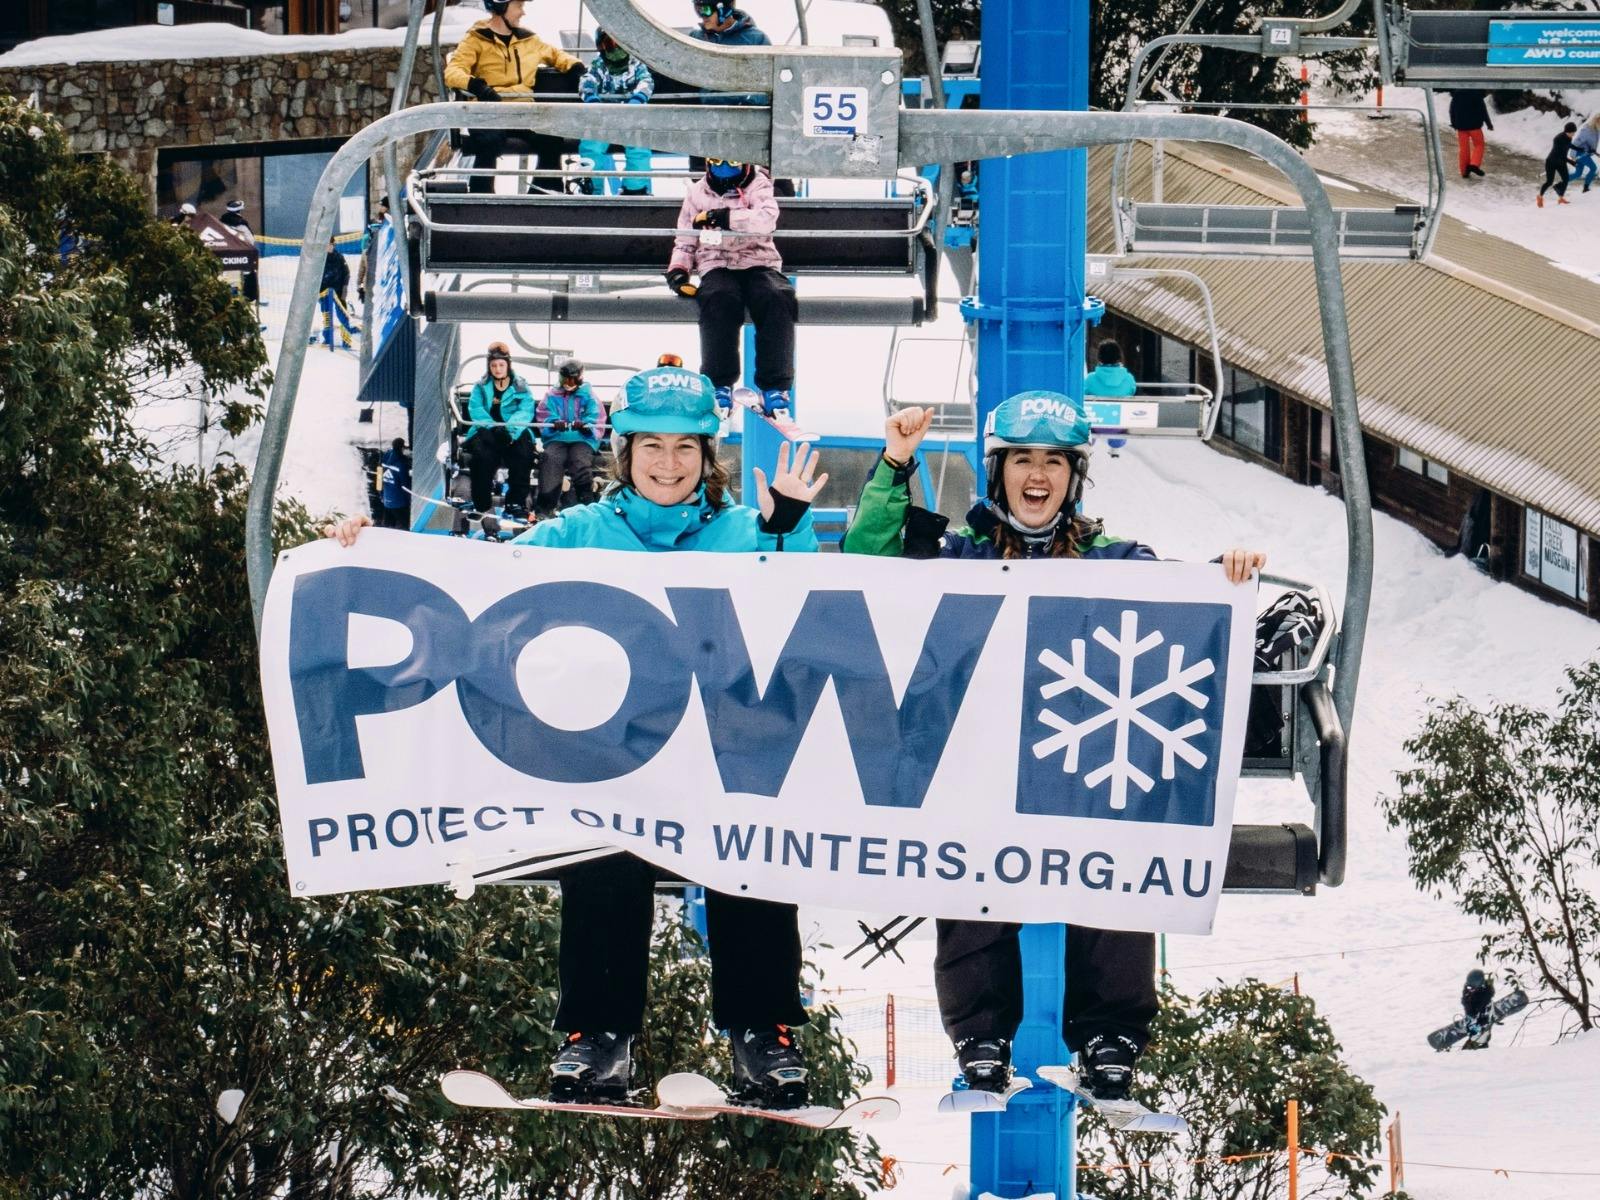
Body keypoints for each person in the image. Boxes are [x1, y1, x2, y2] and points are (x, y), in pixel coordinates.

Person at [324, 365, 831, 1109]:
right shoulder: (579, 532)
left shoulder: (747, 530)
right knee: (602, 848)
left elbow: (807, 610)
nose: (668, 463)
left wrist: (788, 529)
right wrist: (378, 553)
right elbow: (484, 580)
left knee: (748, 846)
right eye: (651, 447)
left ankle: (763, 1035)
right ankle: (597, 1038)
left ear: (706, 456)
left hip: (720, 751)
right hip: (619, 755)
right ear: (625, 455)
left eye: (684, 448)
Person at [841, 391, 1266, 1102]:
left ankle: (1111, 1037)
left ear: (1075, 477)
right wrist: (894, 465)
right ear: (999, 470)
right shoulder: (959, 554)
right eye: (1022, 462)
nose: (1036, 478)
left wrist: (1225, 579)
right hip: (980, 765)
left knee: (1115, 855)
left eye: (1053, 463)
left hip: (1077, 764)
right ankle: (981, 1038)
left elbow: (1176, 616)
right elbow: (868, 566)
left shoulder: (1117, 560)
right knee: (969, 865)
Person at [667, 159, 797, 418]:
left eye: (732, 161)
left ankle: (774, 386)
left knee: (776, 297)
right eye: (717, 161)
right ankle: (719, 383)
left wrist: (727, 218)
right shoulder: (697, 193)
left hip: (758, 258)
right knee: (718, 298)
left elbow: (766, 219)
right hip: (716, 261)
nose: (724, 167)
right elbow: (685, 238)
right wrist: (679, 270)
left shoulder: (759, 183)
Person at [443, 0, 584, 195]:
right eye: (518, 6)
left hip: (522, 110)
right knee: (489, 141)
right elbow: (453, 72)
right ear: (501, 7)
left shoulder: (528, 40)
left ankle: (545, 191)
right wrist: (476, 86)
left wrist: (575, 67)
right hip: (489, 110)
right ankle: (481, 194)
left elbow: (556, 55)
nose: (522, 12)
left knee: (550, 137)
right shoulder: (476, 40)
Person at [462, 341, 537, 515]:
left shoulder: (520, 386)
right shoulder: (481, 386)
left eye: (501, 365)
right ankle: (481, 502)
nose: (497, 369)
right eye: (494, 365)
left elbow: (525, 410)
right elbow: (476, 408)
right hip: (487, 431)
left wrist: (510, 431)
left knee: (523, 455)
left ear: (508, 365)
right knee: (482, 456)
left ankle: (516, 502)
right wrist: (491, 427)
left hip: (514, 431)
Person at [577, 29, 654, 196]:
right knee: (591, 147)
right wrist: (591, 99)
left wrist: (637, 99)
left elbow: (646, 82)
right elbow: (587, 81)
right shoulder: (599, 66)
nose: (615, 51)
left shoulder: (636, 65)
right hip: (603, 120)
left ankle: (635, 188)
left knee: (639, 147)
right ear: (601, 48)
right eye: (609, 45)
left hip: (630, 120)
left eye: (620, 45)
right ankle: (591, 187)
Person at [534, 358, 606, 516]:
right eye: (565, 379)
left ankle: (586, 500)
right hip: (558, 438)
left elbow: (596, 415)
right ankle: (545, 507)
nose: (568, 383)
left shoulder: (588, 396)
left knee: (579, 458)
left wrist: (587, 427)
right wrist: (553, 422)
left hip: (581, 438)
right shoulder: (552, 396)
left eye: (572, 379)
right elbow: (543, 413)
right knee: (550, 458)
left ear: (579, 378)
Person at [1085, 341, 1138, 458]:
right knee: (1121, 417)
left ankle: (1088, 446)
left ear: (1099, 357)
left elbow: (1083, 394)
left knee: (1087, 422)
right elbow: (1132, 391)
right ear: (1119, 357)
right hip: (1118, 424)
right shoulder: (1129, 379)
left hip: (1096, 423)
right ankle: (1115, 446)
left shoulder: (1090, 379)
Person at [1447, 89, 1493, 179]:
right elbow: (1483, 110)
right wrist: (1488, 123)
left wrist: (1454, 123)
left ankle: (1464, 171)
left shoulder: (1457, 94)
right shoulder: (1476, 93)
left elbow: (1451, 110)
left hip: (1461, 126)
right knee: (1479, 145)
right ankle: (1474, 165)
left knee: (1464, 148)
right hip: (1475, 126)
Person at [220, 198, 259, 303]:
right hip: (241, 254)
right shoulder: (241, 224)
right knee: (247, 274)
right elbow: (250, 240)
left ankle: (231, 296)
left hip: (225, 253)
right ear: (239, 210)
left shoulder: (221, 221)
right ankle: (248, 297)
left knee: (230, 276)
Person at [357, 194, 390, 306]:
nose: (380, 209)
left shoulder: (388, 229)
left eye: (382, 206)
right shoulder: (368, 240)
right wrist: (360, 285)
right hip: (370, 288)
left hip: (382, 288)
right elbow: (362, 266)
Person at [1537, 122, 1576, 207]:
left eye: (1574, 132)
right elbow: (1561, 155)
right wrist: (1572, 162)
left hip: (1561, 162)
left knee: (1566, 179)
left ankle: (1561, 198)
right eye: (1572, 132)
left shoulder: (1569, 138)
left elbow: (1569, 145)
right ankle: (1540, 197)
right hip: (1552, 162)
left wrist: (1579, 148)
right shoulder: (1558, 139)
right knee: (1549, 182)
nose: (1573, 134)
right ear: (1567, 132)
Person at [376, 438, 410, 529]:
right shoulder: (401, 464)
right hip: (399, 503)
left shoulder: (384, 458)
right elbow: (405, 486)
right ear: (402, 448)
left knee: (387, 526)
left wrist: (381, 495)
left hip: (386, 501)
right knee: (407, 525)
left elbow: (379, 479)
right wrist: (410, 499)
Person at [1460, 968, 1495, 1049]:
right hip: (1473, 1014)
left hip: (1481, 1021)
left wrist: (1480, 1021)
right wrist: (1469, 1013)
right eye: (1469, 987)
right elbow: (1465, 1001)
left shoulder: (1485, 995)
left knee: (1479, 1036)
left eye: (1473, 987)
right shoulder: (1467, 990)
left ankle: (1479, 1045)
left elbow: (1482, 1008)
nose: (1470, 989)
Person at [1570, 113, 1599, 194]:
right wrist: (1573, 154)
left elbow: (1590, 143)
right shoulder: (1587, 129)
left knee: (1578, 173)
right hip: (1579, 153)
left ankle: (1561, 184)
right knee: (1593, 168)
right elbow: (1576, 142)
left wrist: (1593, 151)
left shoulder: (1596, 129)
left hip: (1584, 153)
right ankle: (1586, 188)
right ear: (1595, 120)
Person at [319, 239, 351, 311]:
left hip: (338, 289)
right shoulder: (321, 258)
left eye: (331, 244)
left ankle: (345, 321)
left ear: (333, 245)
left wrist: (345, 286)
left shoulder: (339, 257)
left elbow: (346, 272)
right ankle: (327, 322)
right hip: (324, 290)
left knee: (342, 311)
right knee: (326, 312)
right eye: (327, 244)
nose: (329, 246)